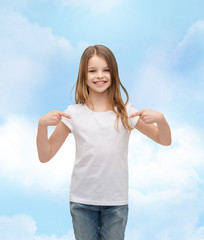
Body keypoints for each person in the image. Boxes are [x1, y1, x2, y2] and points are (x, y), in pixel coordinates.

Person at [36, 44, 171, 240]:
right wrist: (42, 126)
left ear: (114, 73)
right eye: (93, 70)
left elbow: (163, 140)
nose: (100, 75)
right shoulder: (73, 114)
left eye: (106, 69)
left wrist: (161, 120)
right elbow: (45, 155)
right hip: (81, 201)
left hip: (115, 201)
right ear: (84, 75)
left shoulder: (126, 112)